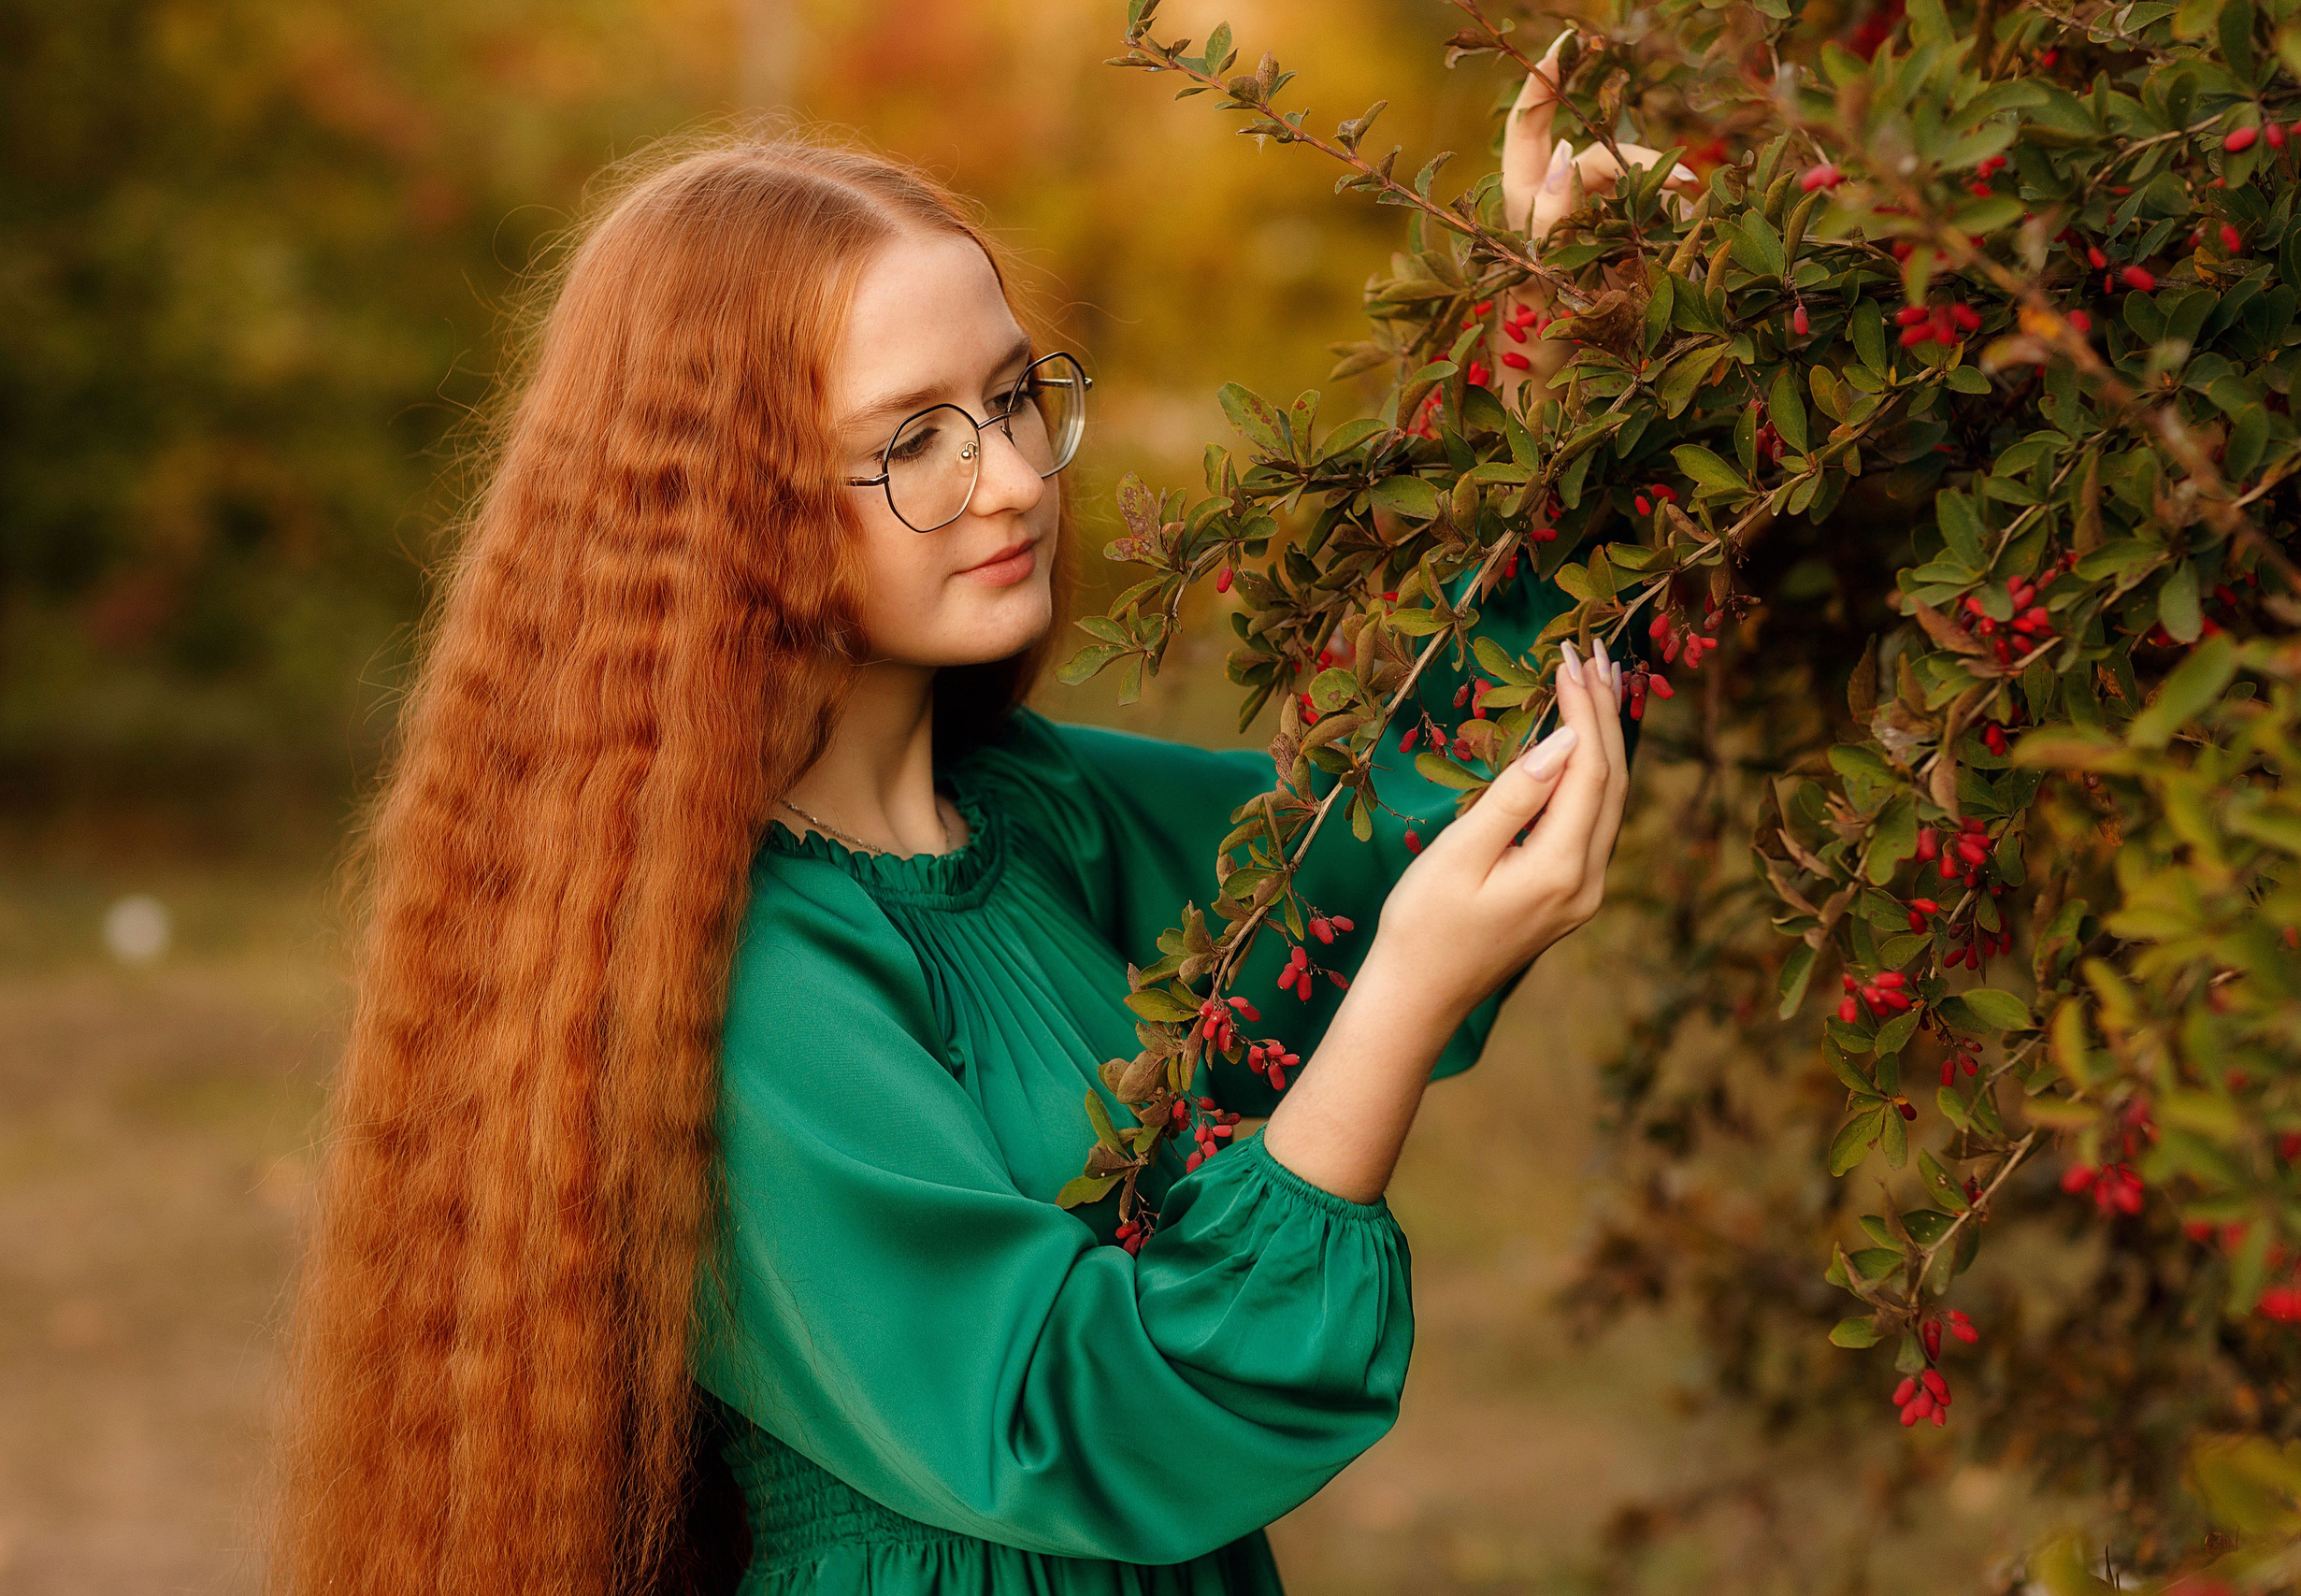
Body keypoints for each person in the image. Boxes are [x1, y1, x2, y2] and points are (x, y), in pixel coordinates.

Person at [269, 40, 1684, 1596]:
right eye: (914, 441)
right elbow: (1078, 1415)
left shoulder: (1035, 816)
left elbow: (1400, 835)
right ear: (726, 512)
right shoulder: (735, 980)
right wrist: (1409, 989)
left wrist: (1604, 375)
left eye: (1012, 399)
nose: (1010, 477)